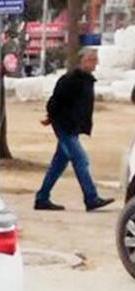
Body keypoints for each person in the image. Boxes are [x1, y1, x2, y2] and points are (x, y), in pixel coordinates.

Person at [35, 48, 115, 212]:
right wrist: (51, 117)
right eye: (92, 59)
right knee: (81, 160)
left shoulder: (87, 80)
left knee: (58, 164)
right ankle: (91, 198)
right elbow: (55, 101)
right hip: (65, 126)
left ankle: (42, 197)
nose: (95, 62)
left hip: (72, 127)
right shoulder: (71, 80)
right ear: (83, 61)